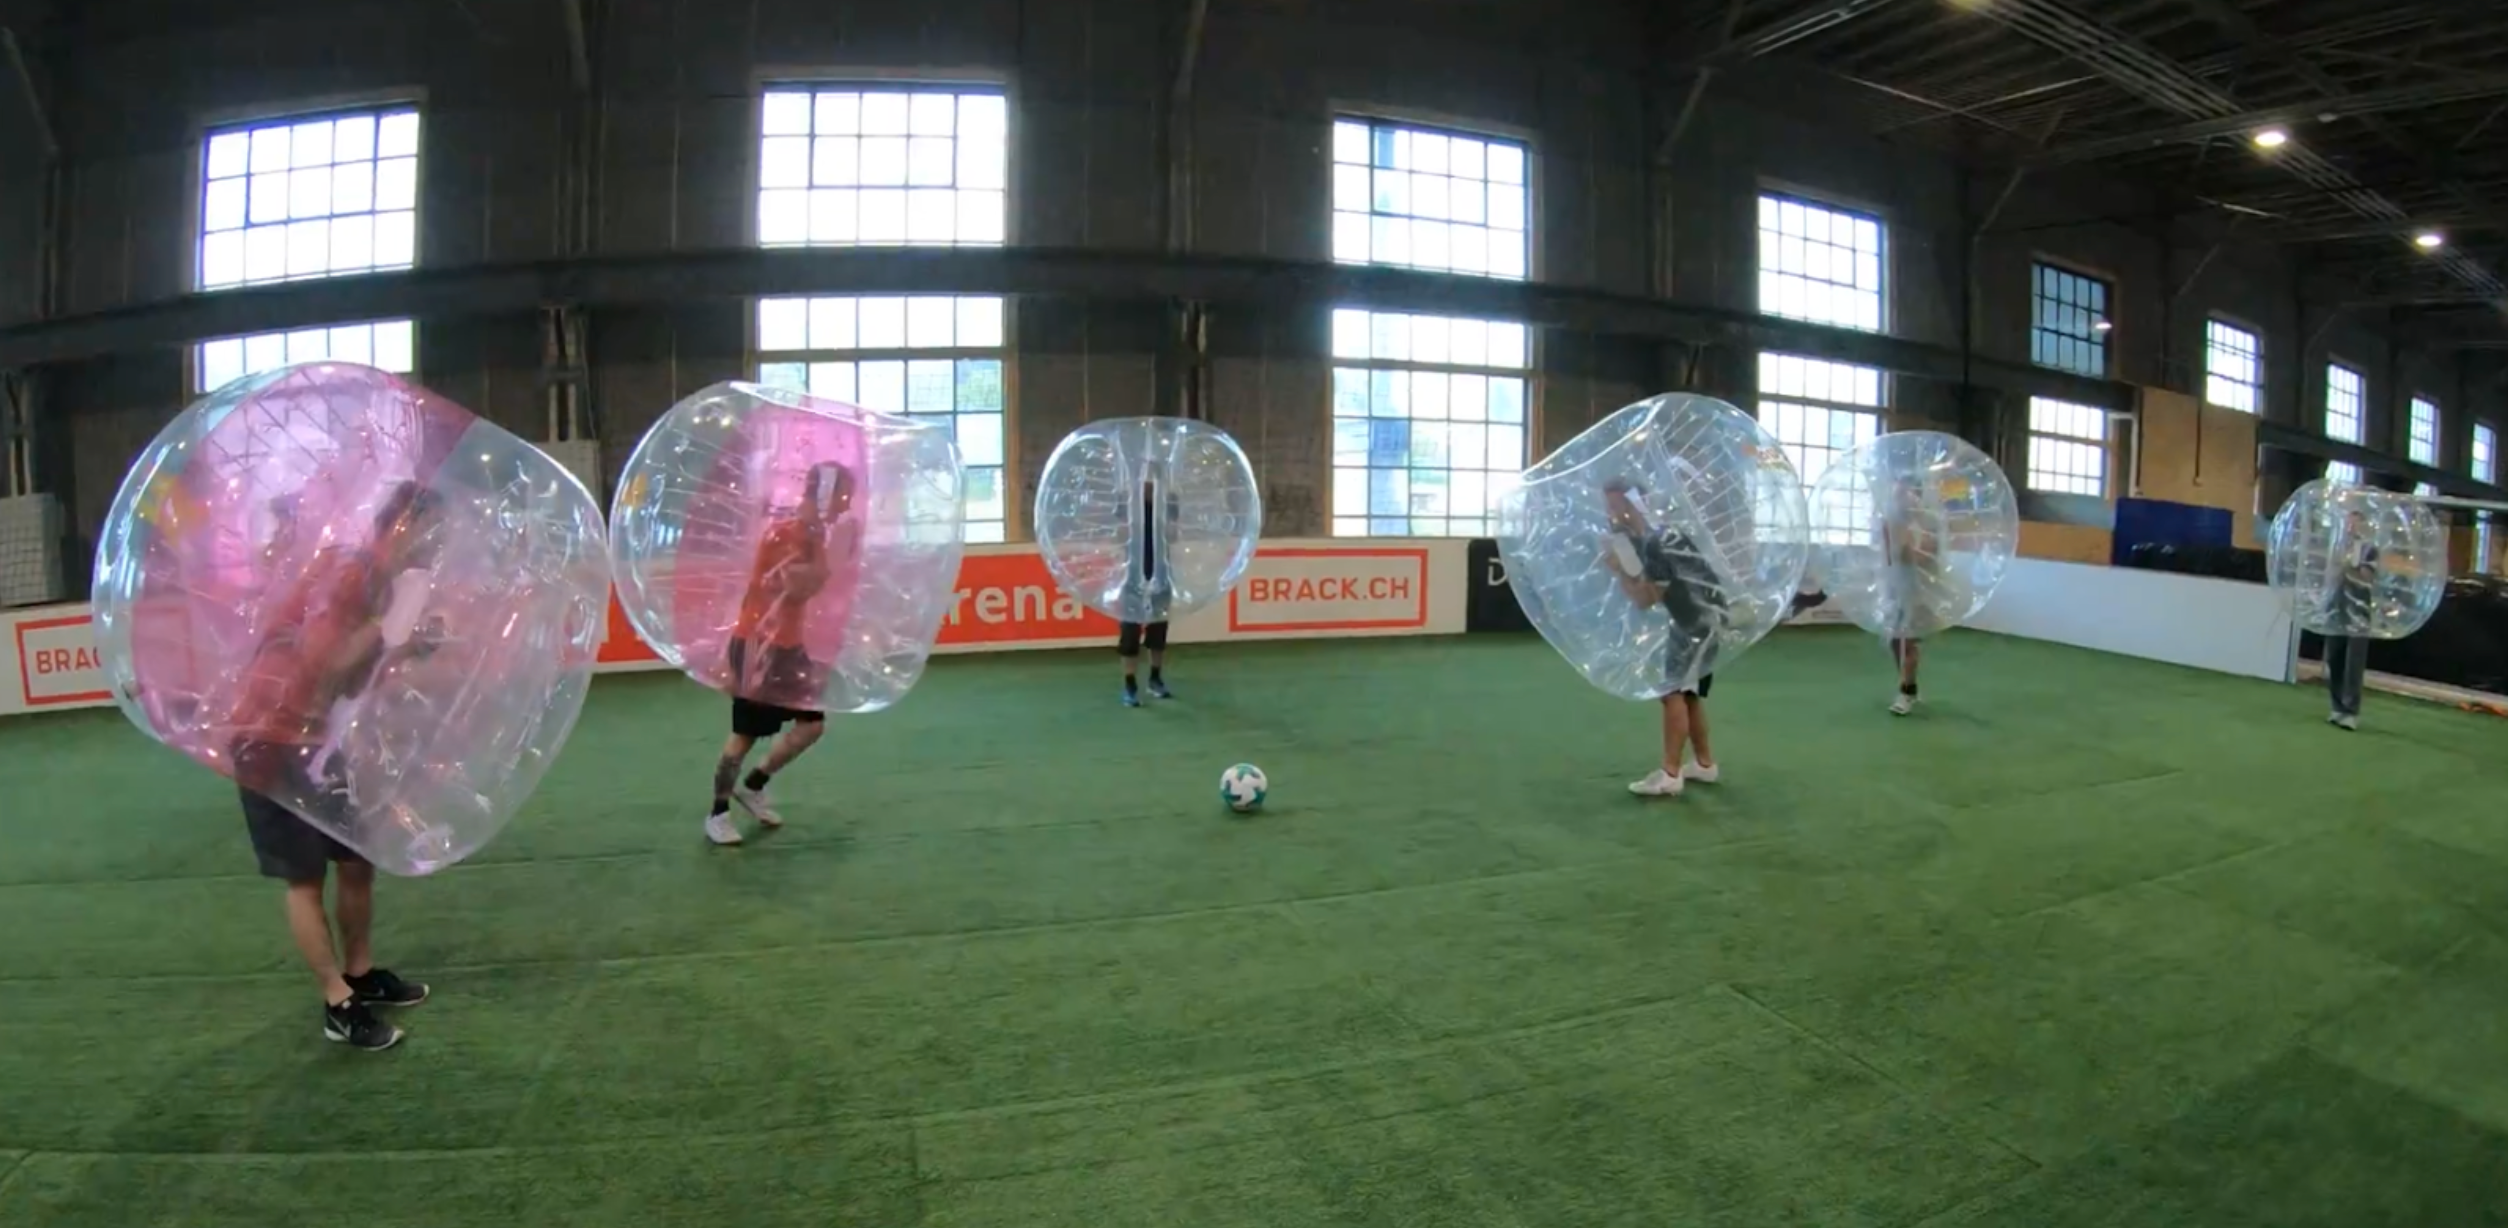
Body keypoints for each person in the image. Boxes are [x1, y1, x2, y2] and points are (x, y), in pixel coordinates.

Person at [227, 480, 441, 1051]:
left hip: (315, 734)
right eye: (433, 534)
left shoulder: (377, 581)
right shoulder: (353, 574)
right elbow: (324, 664)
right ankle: (336, 1001)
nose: (437, 548)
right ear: (405, 526)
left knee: (355, 856)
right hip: (269, 733)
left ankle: (361, 972)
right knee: (303, 877)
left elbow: (345, 679)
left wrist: (401, 643)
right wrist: (386, 630)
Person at [708, 462, 857, 846]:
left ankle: (754, 785)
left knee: (812, 725)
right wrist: (835, 560)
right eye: (843, 496)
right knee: (744, 735)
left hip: (788, 645)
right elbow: (793, 589)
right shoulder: (790, 534)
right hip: (760, 645)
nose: (847, 505)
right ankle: (718, 814)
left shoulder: (813, 534)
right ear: (823, 496)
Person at [1601, 479, 1729, 797]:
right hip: (1699, 619)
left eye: (1618, 507)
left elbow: (1647, 599)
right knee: (1688, 693)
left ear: (1635, 505)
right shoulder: (1659, 536)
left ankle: (1670, 774)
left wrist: (1619, 571)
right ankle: (1704, 764)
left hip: (1698, 623)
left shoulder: (1656, 542)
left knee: (1672, 693)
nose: (1613, 515)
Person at [1877, 480, 1942, 716]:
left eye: (1906, 492)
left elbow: (1924, 557)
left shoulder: (1927, 525)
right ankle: (1907, 685)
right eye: (1898, 492)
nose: (1901, 497)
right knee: (1896, 641)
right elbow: (1889, 558)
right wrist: (1890, 535)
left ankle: (1907, 691)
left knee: (1910, 641)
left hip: (1919, 592)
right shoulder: (1891, 524)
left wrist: (1905, 546)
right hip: (1895, 590)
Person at [1119, 476, 1181, 707]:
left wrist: (1164, 521)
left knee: (1158, 629)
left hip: (1161, 573)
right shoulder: (1126, 500)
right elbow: (1119, 536)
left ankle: (1155, 678)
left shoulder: (1168, 501)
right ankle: (1129, 684)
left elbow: (1174, 537)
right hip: (1133, 575)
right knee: (1130, 631)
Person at [2323, 505, 2378, 731]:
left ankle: (2351, 711)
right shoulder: (2339, 546)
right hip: (2338, 607)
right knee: (2333, 656)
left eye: (2355, 522)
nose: (2350, 526)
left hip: (2359, 611)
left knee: (2353, 662)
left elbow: (2368, 577)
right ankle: (2337, 706)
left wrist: (2352, 564)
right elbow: (2331, 573)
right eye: (2348, 522)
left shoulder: (2370, 550)